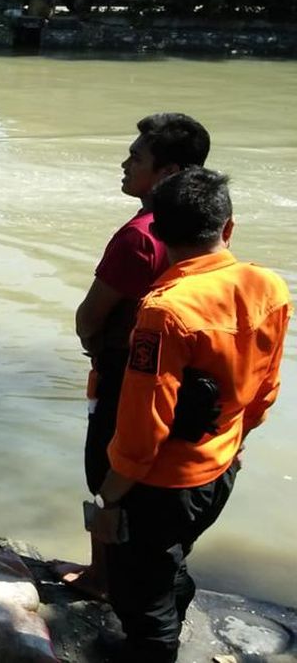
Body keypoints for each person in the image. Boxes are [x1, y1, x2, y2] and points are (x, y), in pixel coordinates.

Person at [91, 167, 289, 662]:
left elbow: (143, 426)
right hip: (221, 466)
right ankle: (162, 633)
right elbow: (266, 386)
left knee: (142, 594)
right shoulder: (269, 286)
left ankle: (153, 648)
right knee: (169, 563)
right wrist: (238, 440)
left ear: (157, 234)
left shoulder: (165, 311)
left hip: (164, 483)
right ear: (228, 228)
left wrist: (110, 495)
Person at [58, 113, 210, 599]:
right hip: (185, 372)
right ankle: (136, 575)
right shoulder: (207, 225)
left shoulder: (139, 235)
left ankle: (102, 579)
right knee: (152, 477)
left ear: (166, 174)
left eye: (136, 157)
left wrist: (92, 345)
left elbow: (90, 317)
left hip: (126, 369)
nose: (124, 164)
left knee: (106, 471)